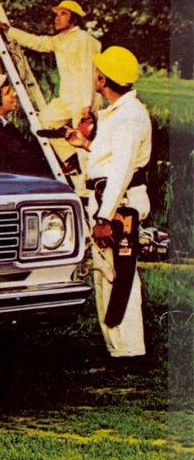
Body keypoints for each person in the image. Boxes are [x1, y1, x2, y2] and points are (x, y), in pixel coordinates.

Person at [64, 46, 151, 359]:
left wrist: (104, 217)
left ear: (104, 80)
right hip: (108, 200)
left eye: (98, 72)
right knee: (107, 274)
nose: (95, 76)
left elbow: (122, 169)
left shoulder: (128, 116)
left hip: (118, 204)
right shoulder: (118, 112)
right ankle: (117, 349)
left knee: (120, 276)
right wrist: (86, 144)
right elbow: (112, 159)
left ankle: (130, 351)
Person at [0, 0, 102, 126]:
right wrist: (7, 29)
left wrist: (87, 104)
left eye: (63, 14)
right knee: (42, 124)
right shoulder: (60, 39)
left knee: (83, 134)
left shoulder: (83, 38)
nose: (57, 18)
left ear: (74, 19)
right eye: (57, 14)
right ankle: (69, 140)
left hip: (83, 100)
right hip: (67, 99)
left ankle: (77, 138)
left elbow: (88, 71)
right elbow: (36, 42)